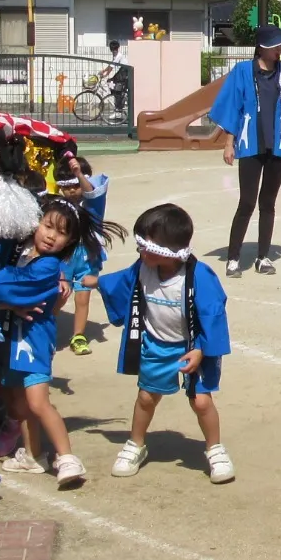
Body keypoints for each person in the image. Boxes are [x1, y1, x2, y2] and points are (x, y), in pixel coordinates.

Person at [0, 195, 118, 486]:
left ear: (70, 242)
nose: (51, 236)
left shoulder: (49, 266)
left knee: (38, 402)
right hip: (11, 339)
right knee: (19, 401)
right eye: (48, 225)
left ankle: (66, 458)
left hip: (34, 340)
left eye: (62, 232)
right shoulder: (23, 251)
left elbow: (16, 284)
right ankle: (33, 455)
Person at [92, 203, 236, 483]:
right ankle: (136, 444)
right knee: (146, 397)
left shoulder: (198, 276)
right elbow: (121, 283)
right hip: (156, 345)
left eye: (147, 244)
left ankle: (215, 449)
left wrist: (200, 349)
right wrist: (94, 281)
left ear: (168, 249)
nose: (140, 249)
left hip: (192, 347)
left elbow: (213, 313)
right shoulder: (143, 267)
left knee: (202, 401)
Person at [208, 24, 281, 276]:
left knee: (268, 203)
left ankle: (263, 257)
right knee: (247, 202)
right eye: (277, 46)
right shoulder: (242, 72)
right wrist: (229, 144)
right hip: (250, 144)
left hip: (278, 145)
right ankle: (233, 258)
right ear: (263, 47)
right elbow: (234, 109)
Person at [58, 153, 110, 355]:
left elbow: (90, 192)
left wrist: (79, 173)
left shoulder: (94, 202)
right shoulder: (59, 205)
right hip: (65, 257)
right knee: (59, 296)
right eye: (66, 187)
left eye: (76, 185)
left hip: (88, 257)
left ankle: (78, 336)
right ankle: (44, 330)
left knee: (82, 299)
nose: (72, 191)